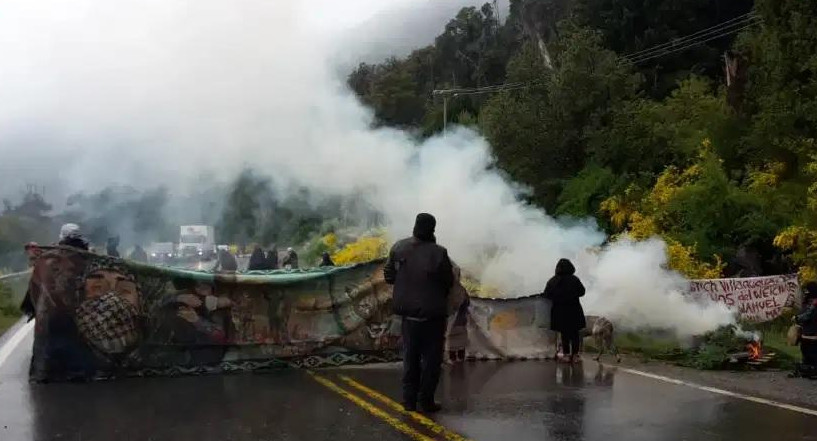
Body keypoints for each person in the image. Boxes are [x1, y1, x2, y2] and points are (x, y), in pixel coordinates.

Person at [384, 212, 454, 413]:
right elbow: (448, 281)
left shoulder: (398, 248)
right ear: (432, 229)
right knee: (431, 362)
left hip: (408, 316)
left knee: (410, 358)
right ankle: (426, 401)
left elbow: (389, 276)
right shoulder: (439, 253)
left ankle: (408, 401)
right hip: (432, 316)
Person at [543, 258, 586, 364]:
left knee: (564, 334)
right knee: (575, 333)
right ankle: (575, 355)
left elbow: (546, 295)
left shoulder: (552, 281)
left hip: (559, 311)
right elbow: (582, 292)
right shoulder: (574, 279)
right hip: (574, 310)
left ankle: (566, 355)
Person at [446, 263, 469, 364]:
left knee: (452, 341)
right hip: (460, 320)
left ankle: (453, 359)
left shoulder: (447, 289)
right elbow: (467, 302)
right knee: (460, 341)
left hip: (451, 321)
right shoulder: (461, 290)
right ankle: (460, 358)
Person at [795, 282, 817, 376]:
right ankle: (807, 370)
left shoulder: (814, 304)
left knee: (812, 353)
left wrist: (797, 318)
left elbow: (807, 315)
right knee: (806, 351)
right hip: (806, 332)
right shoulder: (807, 302)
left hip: (812, 333)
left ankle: (812, 370)